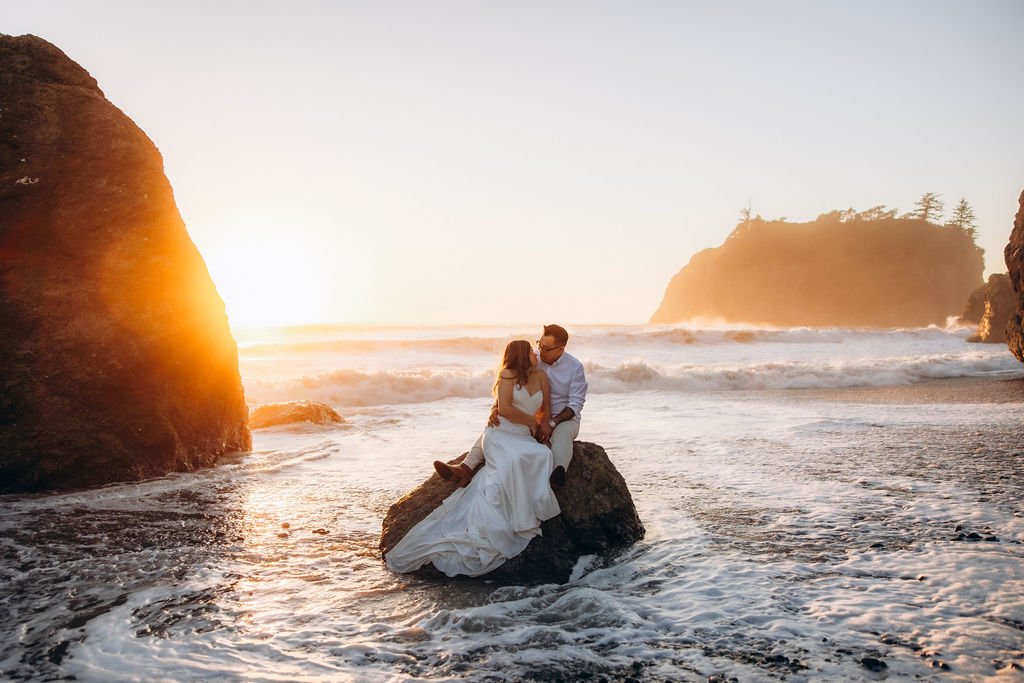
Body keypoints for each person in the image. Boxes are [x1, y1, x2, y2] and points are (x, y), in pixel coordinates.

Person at [385, 340, 561, 577]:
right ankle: (468, 473)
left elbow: (545, 409)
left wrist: (545, 427)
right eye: (530, 350)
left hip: (523, 436)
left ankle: (466, 469)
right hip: (502, 433)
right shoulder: (507, 375)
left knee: (541, 454)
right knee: (513, 461)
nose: (534, 353)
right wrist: (532, 421)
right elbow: (506, 410)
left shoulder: (540, 376)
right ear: (520, 354)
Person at [437, 324, 587, 488]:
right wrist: (497, 408)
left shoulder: (575, 368)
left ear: (560, 349)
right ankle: (464, 469)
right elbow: (511, 383)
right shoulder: (532, 358)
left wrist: (550, 423)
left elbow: (575, 404)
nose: (540, 350)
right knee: (497, 427)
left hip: (563, 418)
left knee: (562, 435)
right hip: (533, 415)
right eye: (539, 344)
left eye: (546, 348)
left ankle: (556, 475)